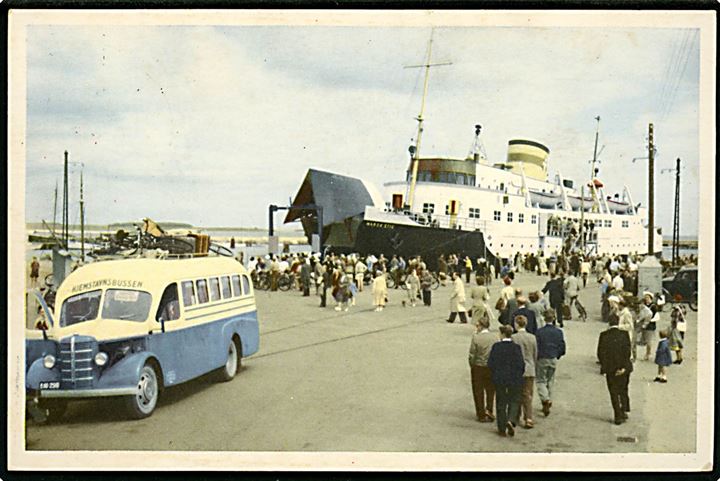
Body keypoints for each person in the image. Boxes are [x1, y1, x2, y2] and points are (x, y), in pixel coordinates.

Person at [488, 325, 525, 437]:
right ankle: (511, 419)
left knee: (501, 402)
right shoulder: (516, 347)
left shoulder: (496, 347)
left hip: (500, 379)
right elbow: (521, 364)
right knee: (514, 400)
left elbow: (491, 363)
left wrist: (494, 374)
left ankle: (501, 428)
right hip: (514, 378)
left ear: (502, 334)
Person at [597, 313, 633, 425]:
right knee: (623, 389)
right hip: (623, 368)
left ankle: (617, 415)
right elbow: (627, 352)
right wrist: (623, 367)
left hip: (610, 369)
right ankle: (623, 410)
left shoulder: (604, 335)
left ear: (609, 323)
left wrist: (605, 366)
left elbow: (600, 353)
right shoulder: (624, 334)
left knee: (613, 392)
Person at [535, 309, 566, 417]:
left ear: (544, 318)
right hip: (553, 357)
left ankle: (545, 399)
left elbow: (536, 346)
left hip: (542, 357)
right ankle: (548, 399)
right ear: (554, 318)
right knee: (550, 380)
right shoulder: (558, 332)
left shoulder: (539, 332)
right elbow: (562, 346)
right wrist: (558, 355)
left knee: (540, 380)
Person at [468, 316, 497, 423]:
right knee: (490, 390)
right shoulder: (494, 337)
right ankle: (489, 409)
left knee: (478, 390)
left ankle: (481, 413)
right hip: (491, 366)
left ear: (480, 326)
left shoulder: (476, 337)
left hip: (478, 366)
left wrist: (472, 364)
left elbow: (472, 354)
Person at [511, 315, 538, 429]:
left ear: (516, 324)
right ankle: (528, 418)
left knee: (516, 394)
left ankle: (515, 417)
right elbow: (535, 354)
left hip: (517, 369)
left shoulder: (514, 338)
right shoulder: (532, 337)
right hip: (529, 368)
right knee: (528, 394)